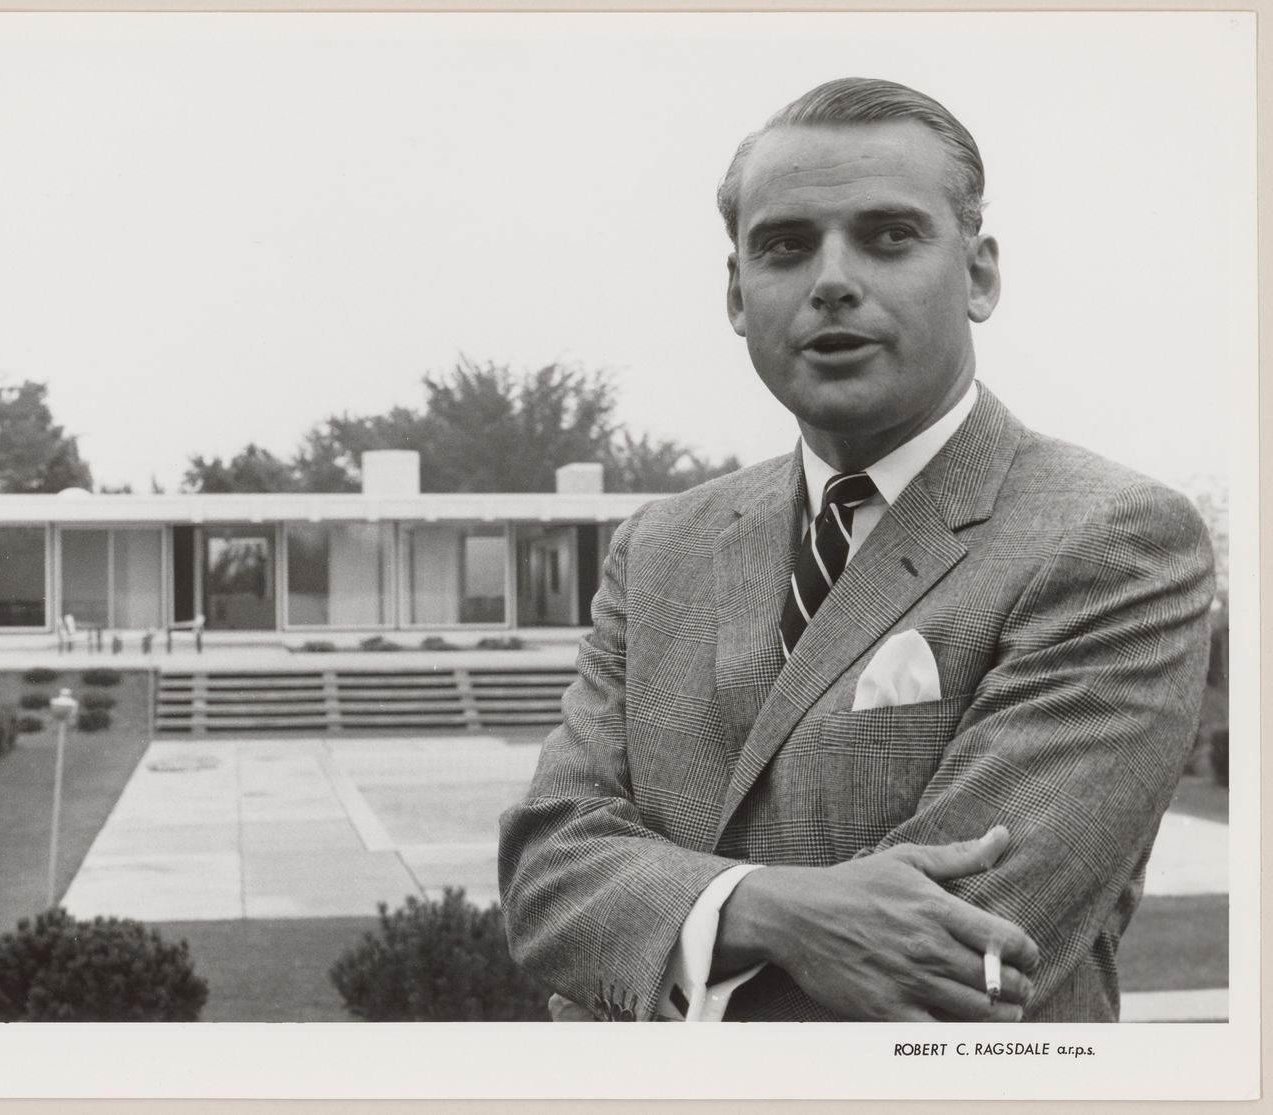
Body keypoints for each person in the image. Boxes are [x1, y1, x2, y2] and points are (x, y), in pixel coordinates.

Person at [497, 77, 1214, 1023]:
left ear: (981, 274)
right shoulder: (661, 547)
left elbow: (965, 948)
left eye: (888, 236)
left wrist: (645, 965)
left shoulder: (1114, 540)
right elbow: (548, 874)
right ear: (738, 296)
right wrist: (775, 912)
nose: (832, 278)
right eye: (785, 245)